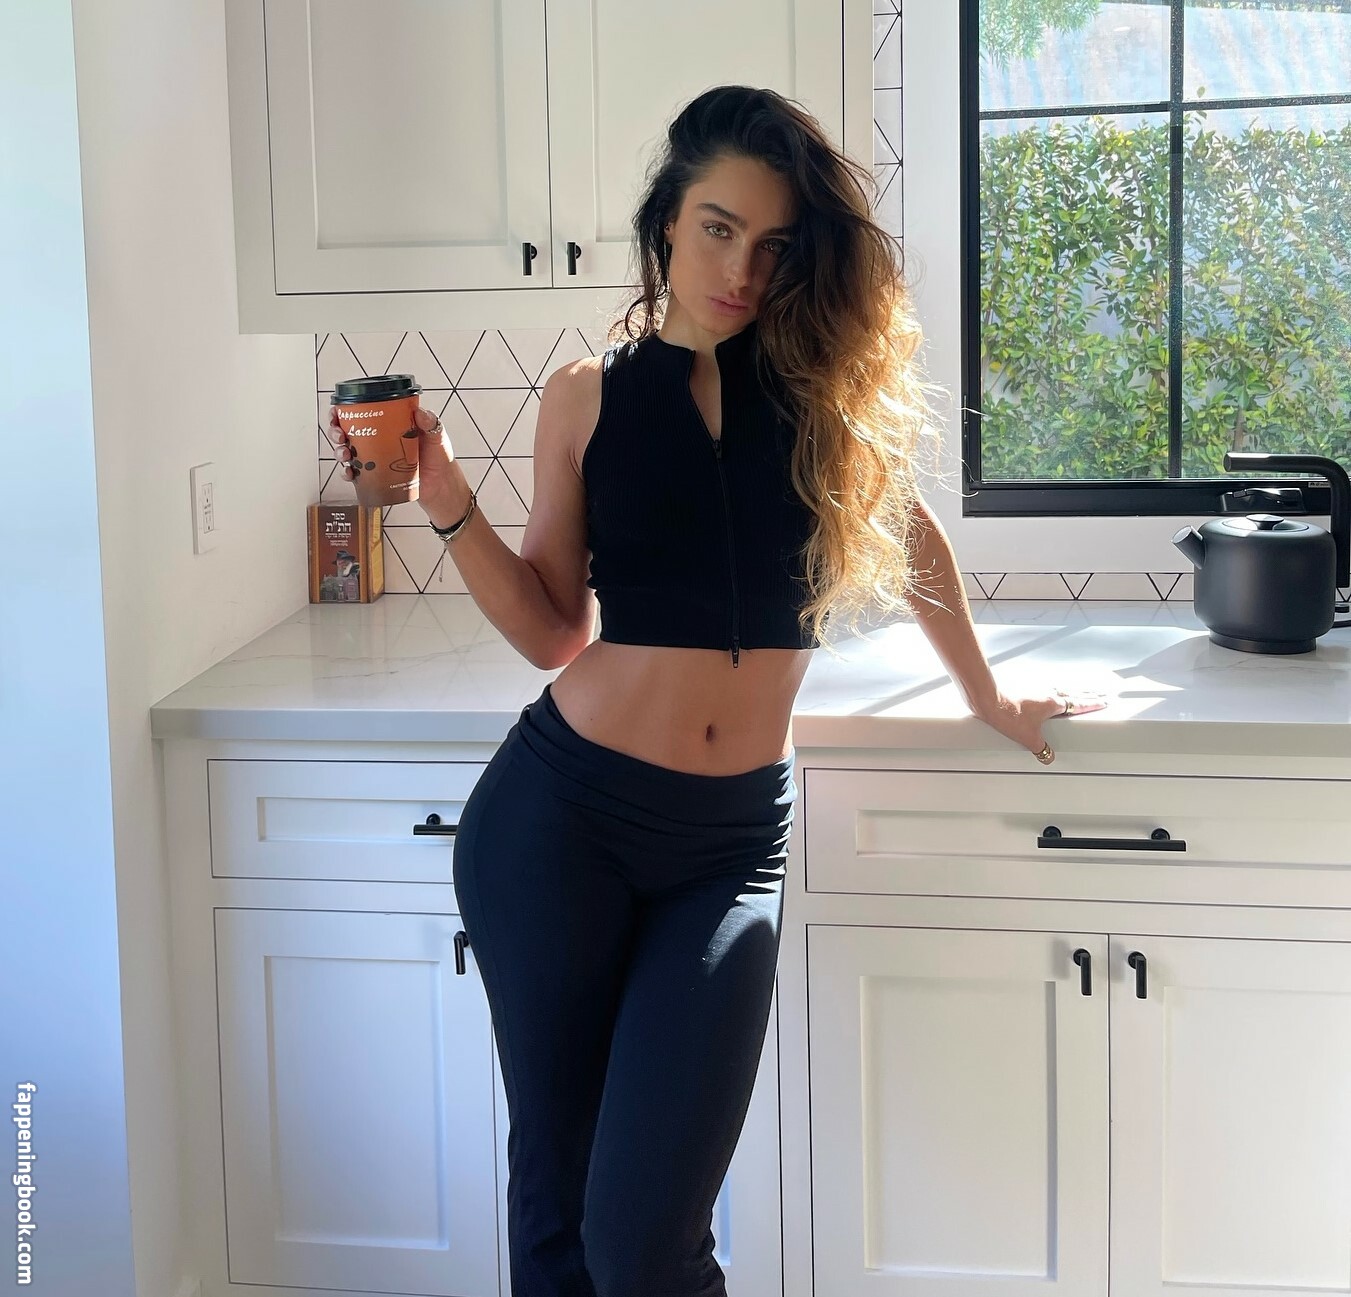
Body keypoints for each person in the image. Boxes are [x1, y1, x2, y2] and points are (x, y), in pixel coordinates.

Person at [328, 84, 1105, 1297]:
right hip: (557, 822)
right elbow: (551, 630)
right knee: (556, 1201)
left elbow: (917, 547)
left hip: (728, 848)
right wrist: (443, 493)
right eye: (717, 229)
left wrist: (986, 697)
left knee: (646, 1242)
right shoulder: (585, 394)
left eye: (772, 243)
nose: (741, 269)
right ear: (666, 226)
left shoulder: (824, 400)